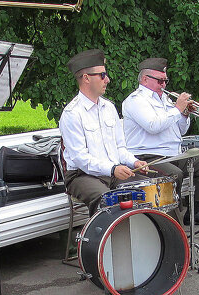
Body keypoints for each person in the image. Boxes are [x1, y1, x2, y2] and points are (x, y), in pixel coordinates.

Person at [121, 57, 199, 226]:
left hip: (172, 154)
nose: (164, 85)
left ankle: (194, 211)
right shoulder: (135, 101)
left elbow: (180, 130)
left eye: (165, 80)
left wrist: (184, 114)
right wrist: (177, 109)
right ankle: (172, 221)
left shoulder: (164, 100)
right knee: (174, 174)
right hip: (146, 156)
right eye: (160, 81)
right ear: (145, 79)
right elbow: (153, 126)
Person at [58, 49, 148, 215]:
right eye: (102, 75)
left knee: (146, 190)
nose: (107, 79)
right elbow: (81, 159)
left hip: (112, 171)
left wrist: (134, 162)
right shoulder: (72, 113)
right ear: (86, 78)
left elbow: (120, 147)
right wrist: (112, 169)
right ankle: (102, 241)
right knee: (106, 198)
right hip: (81, 175)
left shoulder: (109, 108)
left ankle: (147, 238)